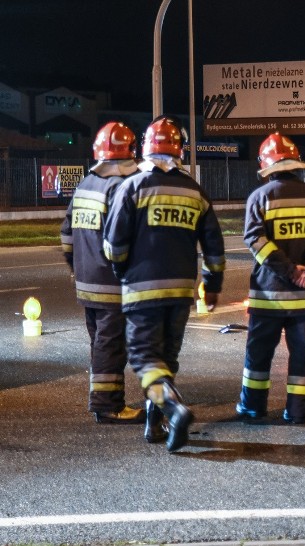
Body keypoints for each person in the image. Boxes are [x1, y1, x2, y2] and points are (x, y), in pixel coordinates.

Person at [103, 116, 226, 452]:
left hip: (142, 290)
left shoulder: (133, 186)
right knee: (166, 359)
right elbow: (214, 246)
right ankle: (154, 424)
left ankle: (173, 408)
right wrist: (212, 285)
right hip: (182, 291)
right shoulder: (195, 191)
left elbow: (114, 244)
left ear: (145, 149)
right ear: (180, 152)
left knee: (145, 360)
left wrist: (121, 271)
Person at [236, 133, 305, 425]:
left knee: (258, 355)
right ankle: (297, 412)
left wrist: (288, 270)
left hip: (269, 295)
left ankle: (252, 408)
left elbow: (255, 241)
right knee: (303, 356)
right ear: (296, 164)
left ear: (266, 165)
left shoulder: (260, 197)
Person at [60, 122, 144, 424]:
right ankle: (108, 406)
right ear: (130, 151)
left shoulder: (85, 185)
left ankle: (104, 399)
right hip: (113, 283)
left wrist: (77, 268)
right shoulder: (125, 187)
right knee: (110, 345)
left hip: (87, 283)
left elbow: (67, 234)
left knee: (100, 343)